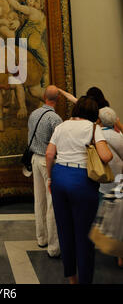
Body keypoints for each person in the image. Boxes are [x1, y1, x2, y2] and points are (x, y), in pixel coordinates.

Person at [46, 96, 113, 284]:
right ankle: (85, 280)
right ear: (93, 113)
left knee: (64, 231)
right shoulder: (93, 128)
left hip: (59, 176)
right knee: (84, 235)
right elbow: (106, 156)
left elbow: (50, 154)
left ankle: (72, 278)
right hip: (82, 180)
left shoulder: (61, 126)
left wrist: (51, 178)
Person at [27, 85, 62, 258]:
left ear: (44, 96)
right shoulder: (55, 119)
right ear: (58, 99)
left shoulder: (34, 114)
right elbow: (58, 145)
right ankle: (54, 247)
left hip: (34, 159)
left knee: (39, 200)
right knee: (52, 204)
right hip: (48, 162)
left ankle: (41, 238)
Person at [98, 106, 123, 269]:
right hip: (118, 180)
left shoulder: (97, 136)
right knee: (119, 217)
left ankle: (102, 238)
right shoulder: (119, 136)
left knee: (102, 211)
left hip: (102, 180)